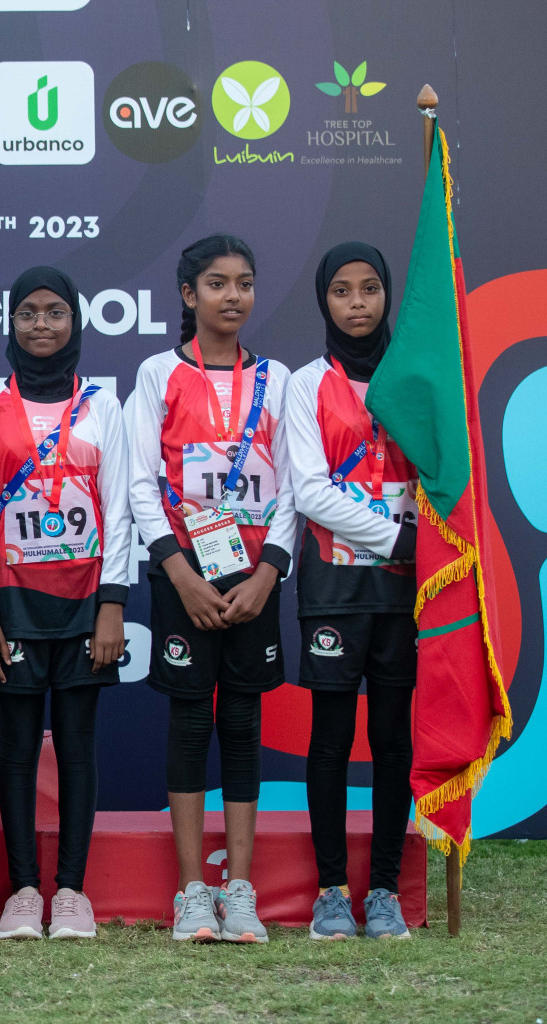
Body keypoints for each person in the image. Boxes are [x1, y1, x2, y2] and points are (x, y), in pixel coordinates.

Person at [127, 235, 294, 944]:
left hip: (254, 579)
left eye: (246, 283)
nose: (234, 296)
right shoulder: (158, 372)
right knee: (191, 724)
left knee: (245, 728)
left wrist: (268, 572)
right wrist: (180, 573)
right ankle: (193, 893)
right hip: (183, 580)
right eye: (218, 283)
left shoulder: (280, 380)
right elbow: (138, 482)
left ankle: (241, 891)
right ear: (189, 295)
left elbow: (292, 482)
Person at [0, 266, 131, 940]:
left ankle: (71, 892)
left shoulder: (102, 407)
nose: (41, 324)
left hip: (85, 602)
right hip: (14, 604)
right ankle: (25, 891)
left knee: (79, 746)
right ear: (10, 322)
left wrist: (113, 605)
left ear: (75, 322)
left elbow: (117, 517)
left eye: (55, 312)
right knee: (19, 748)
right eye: (28, 312)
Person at [286, 243, 416, 940]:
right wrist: (396, 538)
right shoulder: (306, 384)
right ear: (324, 301)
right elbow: (308, 491)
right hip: (335, 589)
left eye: (370, 289)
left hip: (405, 594)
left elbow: (443, 473)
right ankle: (333, 890)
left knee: (393, 741)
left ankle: (386, 890)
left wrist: (428, 541)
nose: (358, 303)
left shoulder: (418, 378)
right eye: (343, 291)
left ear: (388, 295)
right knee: (332, 740)